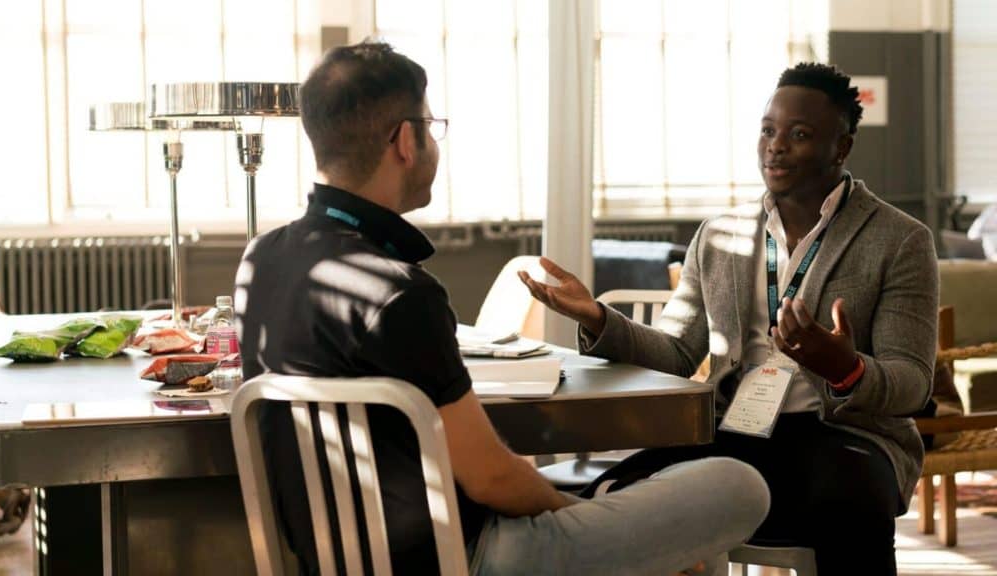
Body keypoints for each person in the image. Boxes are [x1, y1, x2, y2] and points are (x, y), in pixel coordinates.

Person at [235, 41, 769, 576]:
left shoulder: (262, 259)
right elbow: (492, 479)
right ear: (403, 140)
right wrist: (581, 519)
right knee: (738, 485)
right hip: (468, 560)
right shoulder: (402, 293)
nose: (434, 144)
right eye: (430, 124)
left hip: (331, 562)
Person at [520, 63, 938, 576]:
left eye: (799, 134)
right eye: (768, 131)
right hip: (734, 431)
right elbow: (676, 352)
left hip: (843, 437)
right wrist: (600, 318)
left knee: (851, 504)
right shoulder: (720, 234)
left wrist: (845, 368)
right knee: (614, 494)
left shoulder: (899, 239)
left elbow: (913, 383)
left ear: (842, 148)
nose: (775, 146)